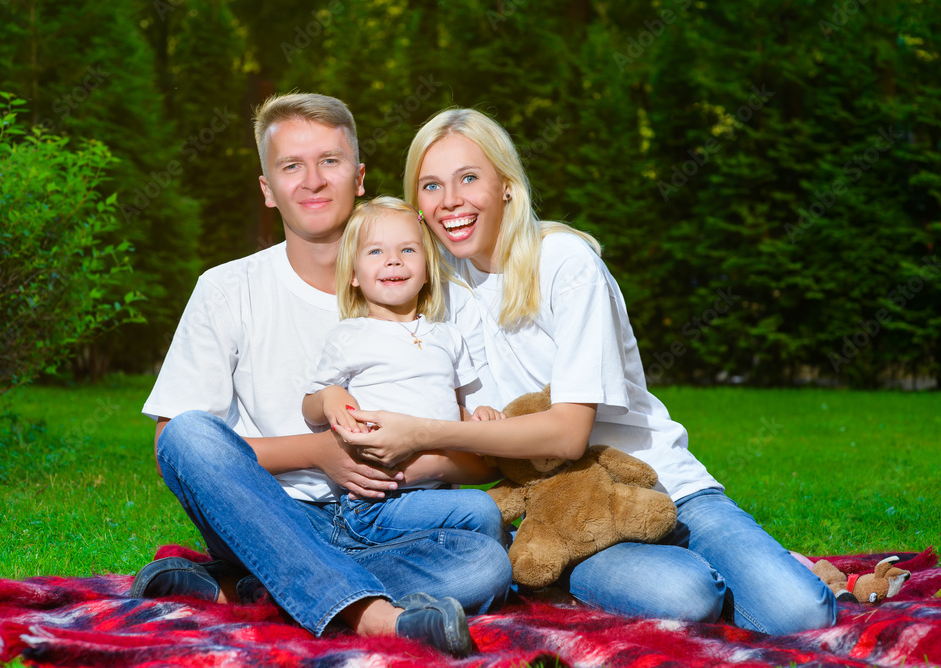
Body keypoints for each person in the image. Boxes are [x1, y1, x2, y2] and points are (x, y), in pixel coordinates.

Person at [339, 107, 838, 636]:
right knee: (690, 595)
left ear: (506, 185)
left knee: (803, 614)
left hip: (662, 482)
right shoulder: (436, 292)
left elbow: (568, 434)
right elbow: (472, 433)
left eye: (469, 178)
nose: (451, 200)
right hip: (563, 514)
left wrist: (422, 434)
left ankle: (738, 568)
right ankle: (570, 573)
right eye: (431, 185)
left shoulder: (565, 263)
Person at [129, 94, 511, 657]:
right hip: (265, 513)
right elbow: (178, 449)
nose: (312, 180)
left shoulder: (430, 294)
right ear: (267, 188)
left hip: (393, 516)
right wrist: (319, 453)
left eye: (330, 161)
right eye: (291, 166)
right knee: (188, 430)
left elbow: (481, 452)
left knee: (485, 564)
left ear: (358, 177)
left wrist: (399, 463)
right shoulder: (226, 289)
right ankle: (375, 617)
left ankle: (252, 587)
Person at [302, 195, 507, 547]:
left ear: (427, 269)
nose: (393, 260)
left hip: (441, 493)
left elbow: (450, 409)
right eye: (376, 252)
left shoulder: (448, 336)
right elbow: (309, 407)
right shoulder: (349, 335)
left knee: (488, 515)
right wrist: (329, 396)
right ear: (352, 274)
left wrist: (479, 418)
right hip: (376, 502)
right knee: (482, 510)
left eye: (408, 251)